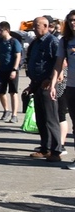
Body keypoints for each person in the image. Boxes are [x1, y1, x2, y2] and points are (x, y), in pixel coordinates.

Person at [25, 14, 62, 162]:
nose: (34, 28)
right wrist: (31, 85)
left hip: (48, 85)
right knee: (41, 118)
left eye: (37, 26)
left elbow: (60, 62)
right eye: (33, 26)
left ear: (46, 26)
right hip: (37, 84)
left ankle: (56, 150)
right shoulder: (36, 42)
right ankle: (45, 148)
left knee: (51, 119)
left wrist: (50, 80)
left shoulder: (52, 41)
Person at [0, 21, 23, 123]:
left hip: (12, 69)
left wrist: (14, 69)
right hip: (1, 69)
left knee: (13, 92)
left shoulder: (14, 42)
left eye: (1, 30)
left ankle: (14, 114)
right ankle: (6, 110)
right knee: (1, 92)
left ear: (7, 30)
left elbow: (18, 56)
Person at [57, 11, 75, 170]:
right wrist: (53, 83)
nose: (72, 23)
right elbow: (59, 63)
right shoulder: (65, 41)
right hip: (71, 86)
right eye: (70, 20)